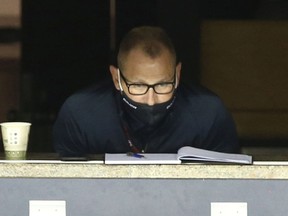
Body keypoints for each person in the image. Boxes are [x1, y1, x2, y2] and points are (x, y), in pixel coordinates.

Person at [53, 26, 239, 157]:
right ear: (116, 78)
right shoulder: (81, 114)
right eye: (139, 86)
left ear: (178, 73)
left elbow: (229, 188)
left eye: (163, 85)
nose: (151, 100)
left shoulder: (208, 113)